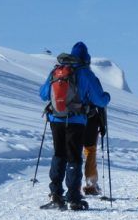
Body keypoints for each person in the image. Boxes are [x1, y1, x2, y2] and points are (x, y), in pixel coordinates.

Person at [39, 41, 111, 210]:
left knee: (59, 155)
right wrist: (107, 97)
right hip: (76, 121)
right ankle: (73, 197)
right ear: (86, 58)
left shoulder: (56, 71)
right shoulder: (85, 73)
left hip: (56, 120)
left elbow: (43, 94)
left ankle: (56, 194)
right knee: (74, 157)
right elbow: (99, 99)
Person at [82, 106, 107, 196]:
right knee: (90, 151)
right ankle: (90, 185)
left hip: (70, 118)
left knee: (73, 152)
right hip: (90, 120)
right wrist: (103, 124)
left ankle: (72, 187)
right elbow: (100, 102)